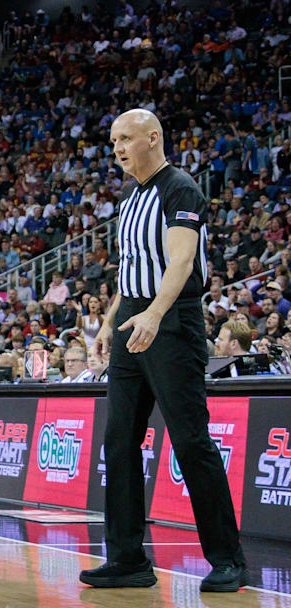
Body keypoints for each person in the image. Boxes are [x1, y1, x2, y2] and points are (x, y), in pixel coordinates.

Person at [81, 109, 247, 593]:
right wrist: (111, 323)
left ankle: (227, 559)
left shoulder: (180, 189)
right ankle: (128, 559)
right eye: (112, 141)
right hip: (135, 319)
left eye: (125, 139)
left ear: (152, 137)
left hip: (172, 322)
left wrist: (154, 314)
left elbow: (182, 260)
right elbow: (129, 270)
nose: (116, 149)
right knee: (119, 443)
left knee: (191, 440)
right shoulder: (130, 199)